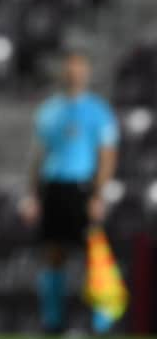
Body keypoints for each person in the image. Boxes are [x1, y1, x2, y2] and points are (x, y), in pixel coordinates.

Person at [20, 51, 119, 333]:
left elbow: (107, 156)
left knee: (92, 253)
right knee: (52, 254)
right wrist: (32, 195)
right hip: (53, 188)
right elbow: (38, 157)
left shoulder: (98, 111)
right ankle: (53, 322)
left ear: (86, 73)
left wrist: (99, 194)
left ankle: (100, 322)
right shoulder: (49, 110)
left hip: (82, 189)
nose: (73, 73)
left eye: (78, 69)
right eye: (70, 69)